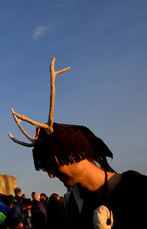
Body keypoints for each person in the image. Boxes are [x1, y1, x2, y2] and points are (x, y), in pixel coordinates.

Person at [8, 56, 147, 229]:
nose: (51, 174)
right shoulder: (77, 204)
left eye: (51, 163)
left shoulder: (138, 188)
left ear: (72, 153)